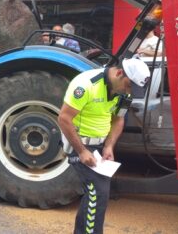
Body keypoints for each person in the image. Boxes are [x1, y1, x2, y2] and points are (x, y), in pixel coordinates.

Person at [58, 58, 150, 234]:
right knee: (98, 192)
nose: (129, 92)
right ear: (119, 73)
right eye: (129, 86)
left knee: (97, 192)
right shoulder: (86, 85)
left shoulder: (124, 92)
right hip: (79, 144)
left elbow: (118, 119)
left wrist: (109, 146)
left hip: (99, 147)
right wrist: (82, 151)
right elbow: (64, 118)